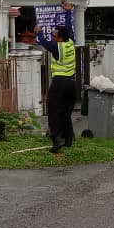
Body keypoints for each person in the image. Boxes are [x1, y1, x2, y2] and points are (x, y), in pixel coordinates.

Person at [34, 23, 77, 153]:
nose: (51, 36)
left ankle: (56, 140)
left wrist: (39, 32)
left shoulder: (57, 47)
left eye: (54, 35)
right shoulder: (70, 42)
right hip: (71, 84)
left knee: (53, 113)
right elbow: (69, 29)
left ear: (59, 38)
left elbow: (43, 42)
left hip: (59, 84)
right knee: (66, 113)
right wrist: (68, 12)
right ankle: (68, 139)